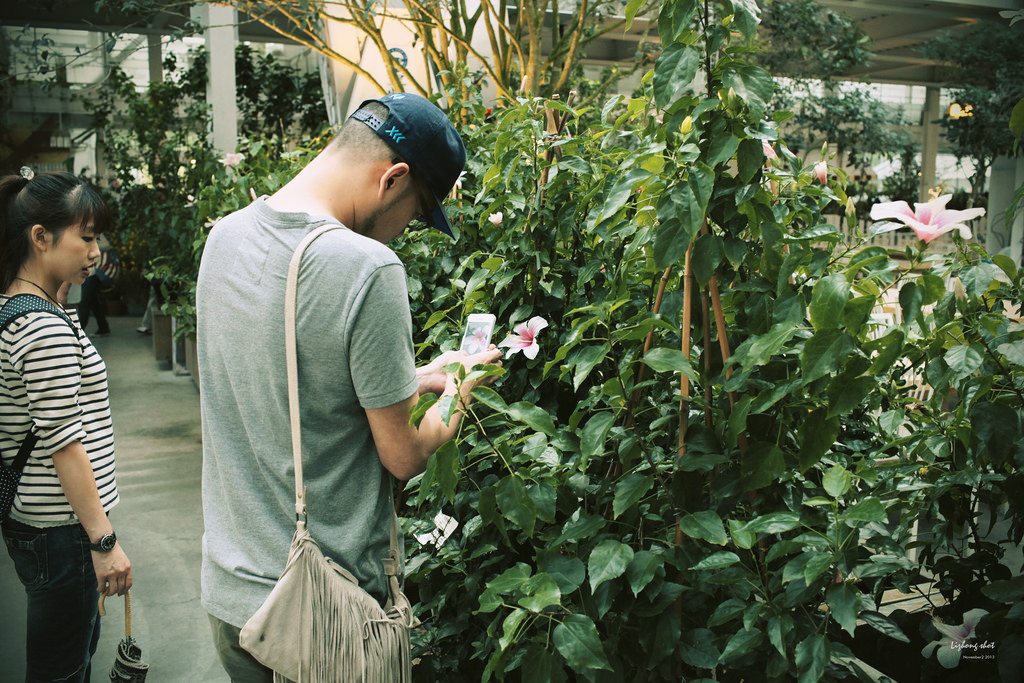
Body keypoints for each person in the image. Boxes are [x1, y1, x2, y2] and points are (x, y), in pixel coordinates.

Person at [196, 92, 502, 681]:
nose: (405, 233)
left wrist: (409, 379)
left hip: (232, 598)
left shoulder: (225, 237)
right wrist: (459, 386)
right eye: (415, 213)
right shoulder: (365, 267)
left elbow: (280, 382)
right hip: (319, 612)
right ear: (393, 178)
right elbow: (405, 454)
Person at [0, 169, 132, 682]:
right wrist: (103, 543)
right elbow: (65, 444)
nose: (95, 251)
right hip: (64, 533)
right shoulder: (42, 328)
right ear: (41, 237)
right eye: (87, 237)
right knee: (62, 669)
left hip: (38, 523)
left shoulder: (18, 309)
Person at [76, 233, 114, 336]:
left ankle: (80, 331)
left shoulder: (95, 231)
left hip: (93, 271)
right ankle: (103, 327)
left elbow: (106, 246)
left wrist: (90, 244)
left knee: (85, 301)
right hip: (88, 271)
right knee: (93, 301)